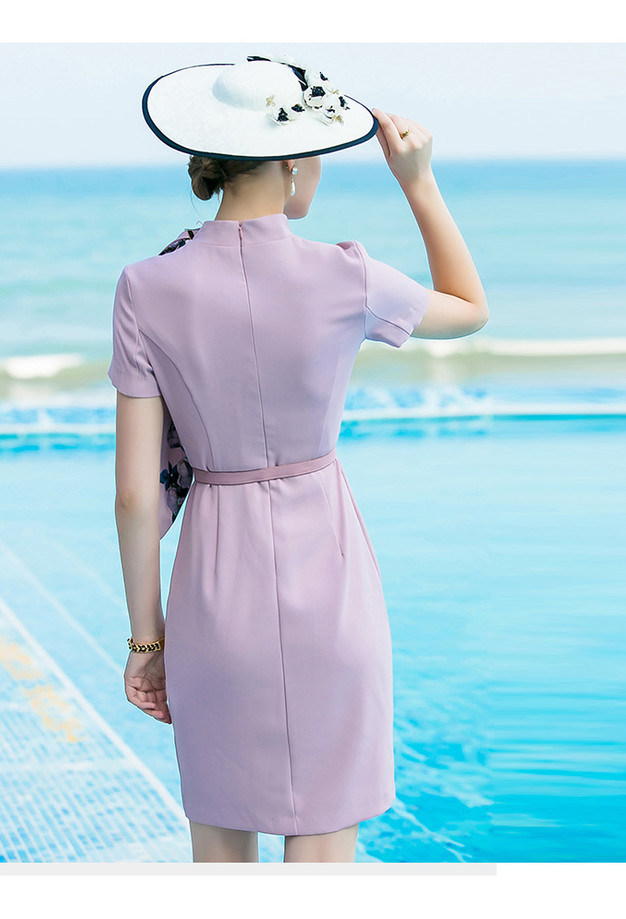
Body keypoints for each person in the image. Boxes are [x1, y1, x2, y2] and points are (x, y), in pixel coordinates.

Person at [107, 53, 489, 864]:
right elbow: (469, 309)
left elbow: (136, 497)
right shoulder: (346, 274)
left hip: (214, 593)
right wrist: (418, 181)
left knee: (221, 856)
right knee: (322, 854)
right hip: (332, 581)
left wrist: (147, 644)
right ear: (292, 162)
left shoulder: (144, 285)